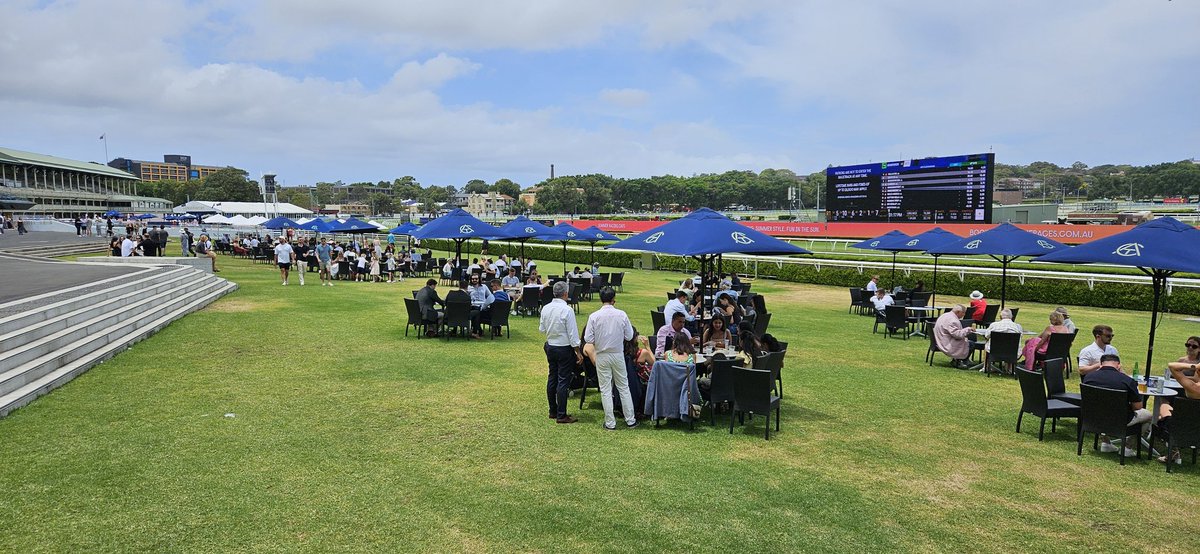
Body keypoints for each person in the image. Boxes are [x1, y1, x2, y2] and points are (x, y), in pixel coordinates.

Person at [583, 287, 638, 430]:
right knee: (623, 387)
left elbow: (588, 338)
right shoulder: (621, 314)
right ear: (613, 299)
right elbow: (629, 335)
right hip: (617, 353)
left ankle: (610, 422)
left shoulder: (594, 316)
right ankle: (630, 420)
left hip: (602, 354)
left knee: (605, 389)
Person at [1082, 354, 1150, 458]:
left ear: (1101, 364)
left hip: (1094, 418)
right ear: (1118, 365)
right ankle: (1128, 447)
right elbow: (1138, 407)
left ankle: (1105, 442)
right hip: (1121, 420)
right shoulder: (1127, 381)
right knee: (1148, 415)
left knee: (1102, 409)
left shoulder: (1089, 378)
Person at [540, 281, 580, 424]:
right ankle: (561, 414)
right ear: (565, 294)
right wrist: (578, 352)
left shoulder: (545, 308)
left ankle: (553, 410)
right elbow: (573, 335)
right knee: (563, 380)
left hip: (551, 345)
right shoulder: (567, 310)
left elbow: (542, 329)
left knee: (552, 378)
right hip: (564, 348)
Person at [975, 308, 1023, 373]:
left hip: (994, 351)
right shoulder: (1018, 327)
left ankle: (986, 367)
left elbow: (986, 336)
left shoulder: (994, 325)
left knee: (987, 344)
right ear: (1011, 317)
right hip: (1012, 352)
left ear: (1000, 317)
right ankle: (1010, 369)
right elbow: (1020, 337)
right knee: (1011, 346)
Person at [934, 304, 975, 369]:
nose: (964, 315)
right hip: (947, 344)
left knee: (968, 342)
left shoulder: (944, 315)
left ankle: (960, 360)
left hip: (940, 340)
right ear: (958, 312)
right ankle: (960, 361)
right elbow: (958, 335)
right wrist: (968, 329)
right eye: (963, 313)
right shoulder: (953, 320)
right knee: (971, 344)